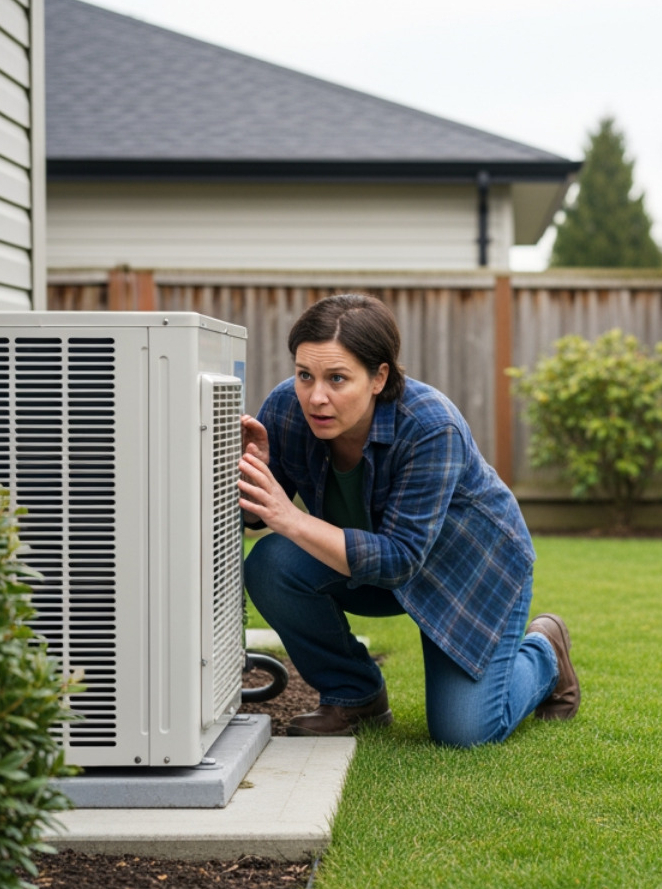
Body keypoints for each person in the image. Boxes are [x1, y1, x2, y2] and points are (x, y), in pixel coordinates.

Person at [237, 293, 578, 747]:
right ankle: (354, 696)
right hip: (363, 566)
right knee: (271, 564)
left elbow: (399, 560)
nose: (316, 397)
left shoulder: (431, 426)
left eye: (337, 379)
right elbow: (257, 519)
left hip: (466, 573)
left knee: (465, 733)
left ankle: (544, 652)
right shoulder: (286, 408)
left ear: (379, 377)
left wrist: (289, 518)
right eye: (305, 375)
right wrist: (247, 473)